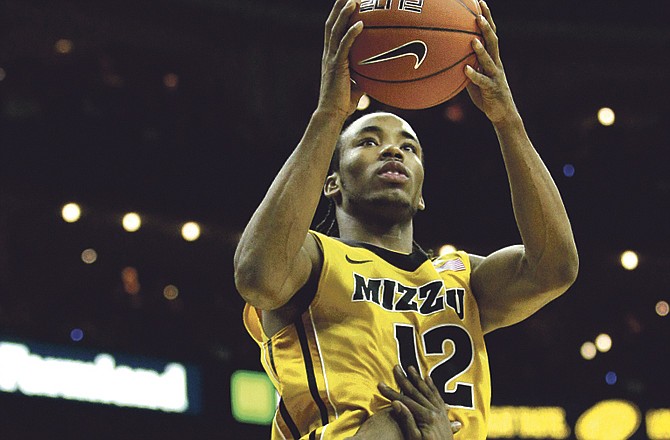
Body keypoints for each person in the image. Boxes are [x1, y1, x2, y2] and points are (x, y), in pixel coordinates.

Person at [235, 0, 579, 438]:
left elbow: (556, 267)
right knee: (393, 425)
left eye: (409, 146)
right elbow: (256, 274)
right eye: (368, 141)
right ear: (333, 183)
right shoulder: (312, 259)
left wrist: (506, 118)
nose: (393, 150)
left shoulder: (462, 279)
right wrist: (329, 114)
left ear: (420, 196)